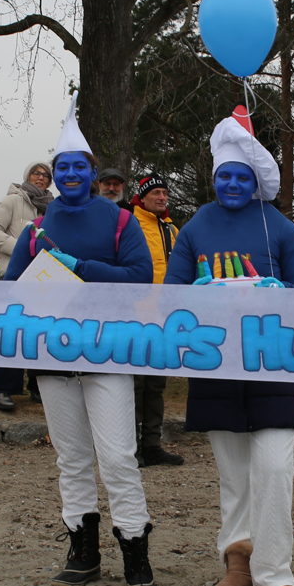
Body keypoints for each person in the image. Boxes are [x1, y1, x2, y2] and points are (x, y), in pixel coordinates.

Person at [2, 97, 159, 586]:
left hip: (107, 353)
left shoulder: (119, 221)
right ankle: (83, 554)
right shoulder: (35, 229)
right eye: (63, 167)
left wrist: (80, 268)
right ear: (55, 175)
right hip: (52, 358)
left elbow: (140, 277)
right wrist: (2, 287)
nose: (70, 175)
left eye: (78, 167)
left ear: (91, 174)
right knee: (71, 459)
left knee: (117, 457)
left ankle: (136, 556)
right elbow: (10, 290)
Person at [165, 107, 294, 586]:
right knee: (234, 475)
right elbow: (170, 297)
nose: (232, 184)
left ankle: (275, 574)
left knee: (273, 468)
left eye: (242, 177)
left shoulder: (281, 227)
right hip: (216, 365)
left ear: (255, 182)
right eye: (225, 176)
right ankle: (238, 562)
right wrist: (198, 293)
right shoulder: (196, 226)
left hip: (273, 362)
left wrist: (280, 289)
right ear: (215, 179)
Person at [0, 160, 52, 411]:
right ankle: (4, 388)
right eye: (36, 173)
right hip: (14, 275)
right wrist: (22, 248)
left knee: (40, 332)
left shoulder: (53, 208)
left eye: (45, 175)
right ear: (27, 176)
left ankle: (39, 386)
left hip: (44, 277)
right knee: (12, 333)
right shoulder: (12, 200)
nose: (41, 177)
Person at [128, 172, 184, 466]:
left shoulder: (172, 229)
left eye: (165, 193)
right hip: (135, 317)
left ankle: (151, 444)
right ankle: (130, 447)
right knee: (135, 386)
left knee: (156, 385)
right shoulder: (130, 223)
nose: (162, 197)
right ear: (143, 197)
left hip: (164, 319)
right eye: (156, 193)